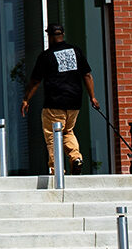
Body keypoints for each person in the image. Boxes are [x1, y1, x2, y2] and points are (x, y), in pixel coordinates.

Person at [20, 23, 100, 173]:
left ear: (49, 36)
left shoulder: (46, 56)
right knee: (68, 131)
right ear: (62, 34)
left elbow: (36, 81)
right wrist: (93, 97)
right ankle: (76, 157)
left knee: (52, 135)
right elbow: (87, 75)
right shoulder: (76, 51)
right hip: (74, 103)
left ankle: (56, 168)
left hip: (54, 103)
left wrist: (26, 99)